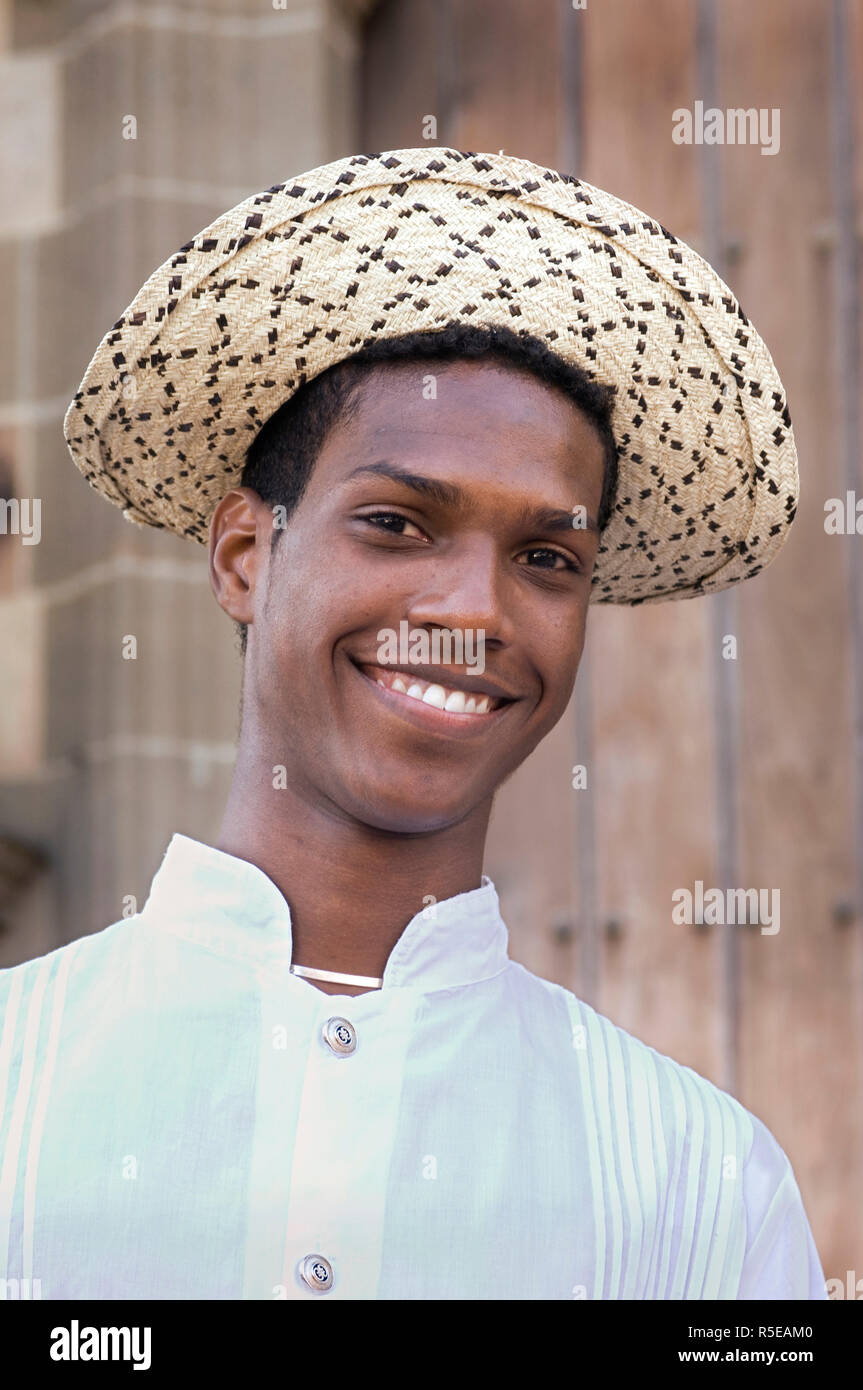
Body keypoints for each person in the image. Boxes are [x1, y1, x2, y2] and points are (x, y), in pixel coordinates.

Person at [1, 147, 824, 1299]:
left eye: (545, 557)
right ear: (246, 556)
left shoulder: (699, 1187)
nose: (471, 611)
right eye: (395, 523)